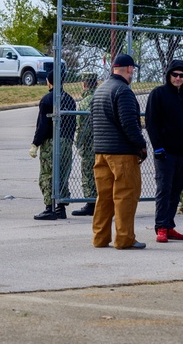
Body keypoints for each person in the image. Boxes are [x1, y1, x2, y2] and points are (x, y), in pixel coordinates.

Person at [91, 54, 147, 249]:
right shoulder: (123, 91)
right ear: (129, 69)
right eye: (133, 70)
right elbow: (129, 124)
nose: (133, 74)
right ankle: (124, 239)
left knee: (104, 197)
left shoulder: (100, 90)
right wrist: (141, 145)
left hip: (101, 152)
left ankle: (100, 237)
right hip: (122, 153)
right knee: (125, 195)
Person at [144, 60, 183, 243]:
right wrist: (158, 147)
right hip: (165, 152)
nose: (178, 78)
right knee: (164, 188)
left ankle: (170, 225)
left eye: (181, 75)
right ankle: (161, 226)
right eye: (175, 75)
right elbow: (151, 122)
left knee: (177, 188)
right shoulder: (158, 94)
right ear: (168, 75)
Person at [30, 71, 77, 220]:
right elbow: (73, 124)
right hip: (66, 142)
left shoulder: (47, 100)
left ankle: (49, 208)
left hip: (50, 141)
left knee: (47, 175)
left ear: (49, 82)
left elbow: (42, 125)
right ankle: (60, 207)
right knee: (62, 174)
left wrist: (35, 143)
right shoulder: (70, 99)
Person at [72, 73, 98, 216]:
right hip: (106, 142)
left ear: (84, 84)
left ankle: (91, 202)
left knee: (88, 173)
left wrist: (79, 144)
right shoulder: (103, 96)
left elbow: (82, 127)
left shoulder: (85, 102)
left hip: (90, 144)